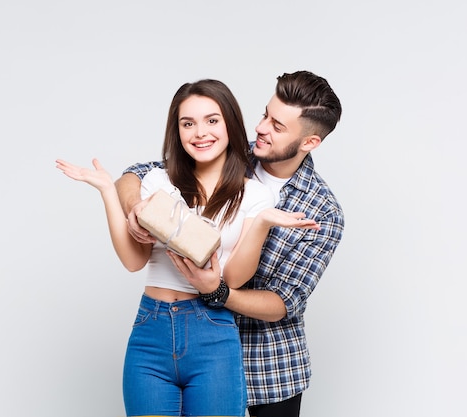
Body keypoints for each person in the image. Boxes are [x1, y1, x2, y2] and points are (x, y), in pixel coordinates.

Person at [55, 79, 318, 417]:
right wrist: (108, 191)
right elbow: (134, 261)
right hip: (151, 330)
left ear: (230, 125)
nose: (200, 132)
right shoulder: (157, 182)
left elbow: (234, 277)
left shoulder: (256, 196)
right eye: (187, 123)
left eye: (212, 120)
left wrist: (262, 223)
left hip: (212, 333)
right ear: (176, 131)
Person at [115, 70, 344, 417]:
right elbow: (137, 173)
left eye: (278, 126)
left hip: (267, 364)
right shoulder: (225, 151)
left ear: (309, 142)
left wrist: (217, 292)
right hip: (181, 336)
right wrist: (137, 209)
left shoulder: (322, 211)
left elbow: (285, 301)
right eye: (266, 114)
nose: (262, 128)